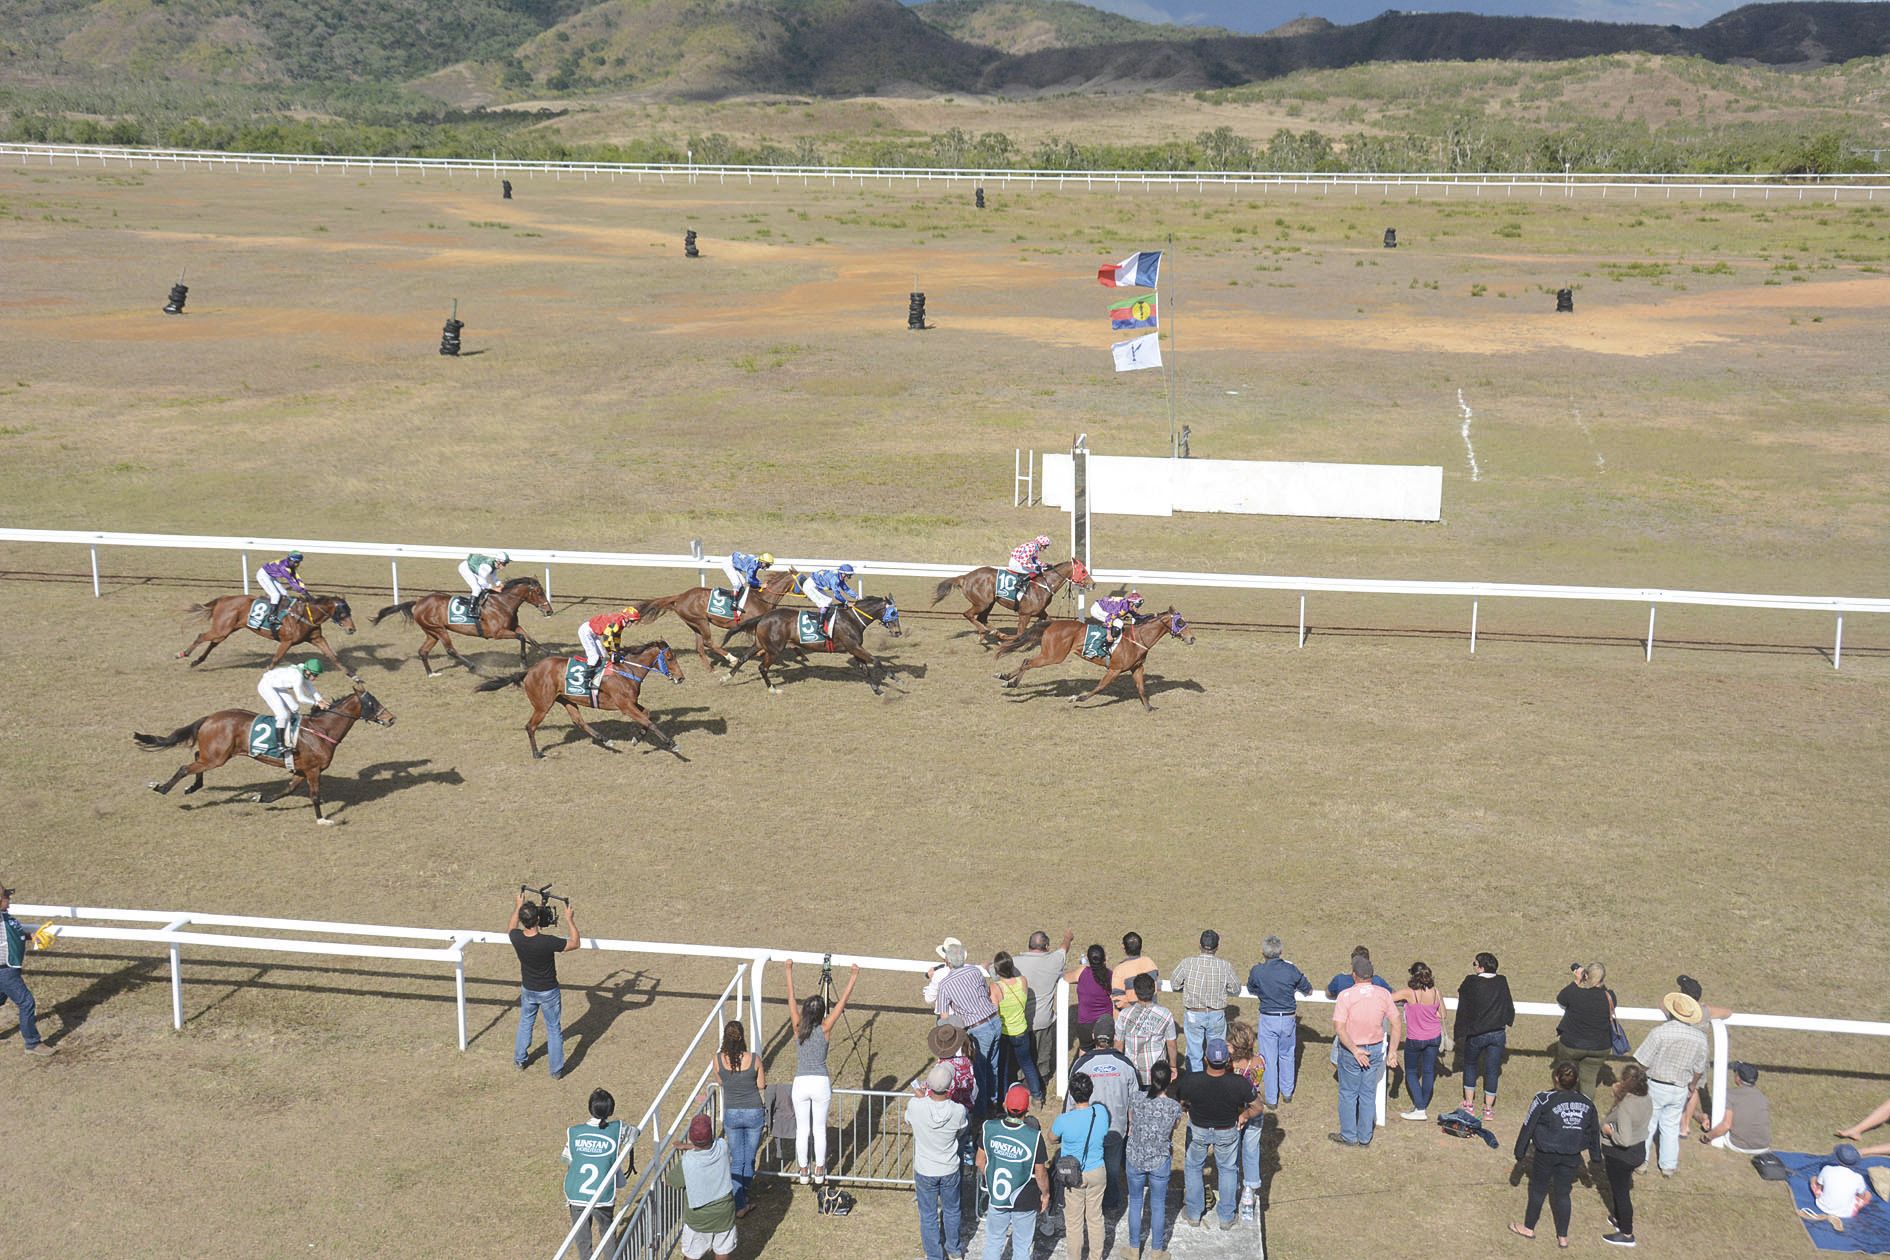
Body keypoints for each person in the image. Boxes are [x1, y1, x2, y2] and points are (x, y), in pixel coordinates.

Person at [1509, 1061, 1602, 1246]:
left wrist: (1519, 1153)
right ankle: (1563, 1237)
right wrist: (1596, 1157)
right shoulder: (1587, 1102)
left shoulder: (1543, 1099)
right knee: (1563, 1193)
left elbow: (1529, 1125)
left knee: (1538, 1189)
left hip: (1545, 1153)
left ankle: (1528, 1228)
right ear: (1576, 1081)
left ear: (1556, 1078)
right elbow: (1594, 1131)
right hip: (1571, 1155)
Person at [783, 958, 857, 1185]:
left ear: (805, 1012)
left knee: (803, 1129)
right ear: (822, 1012)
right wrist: (853, 977)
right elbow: (842, 1004)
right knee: (819, 1130)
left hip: (801, 1083)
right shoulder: (825, 1028)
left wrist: (788, 972)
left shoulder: (797, 1027)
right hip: (820, 1082)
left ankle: (803, 1169)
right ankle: (820, 1169)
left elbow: (791, 999)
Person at [1175, 1036, 1261, 1230]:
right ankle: (1226, 1217)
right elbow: (1258, 1106)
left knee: (1194, 1168)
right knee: (1228, 1170)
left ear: (1206, 1058)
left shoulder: (1191, 1080)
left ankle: (1194, 1212)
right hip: (1227, 1131)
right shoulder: (1239, 1083)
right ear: (1228, 1060)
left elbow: (1179, 1101)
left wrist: (1187, 1108)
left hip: (1198, 1130)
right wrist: (1244, 1115)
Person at [1067, 1016, 1138, 1212]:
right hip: (1116, 1128)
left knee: (1088, 1166)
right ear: (1114, 1037)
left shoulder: (1081, 1064)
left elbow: (1070, 1101)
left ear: (1093, 1036)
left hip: (1087, 1129)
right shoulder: (1126, 1064)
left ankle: (1089, 1203)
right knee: (1112, 1169)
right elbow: (1136, 1100)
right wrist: (1132, 1125)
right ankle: (1110, 1203)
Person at [1633, 992, 1708, 1178]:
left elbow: (1642, 1061)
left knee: (1648, 1124)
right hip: (1681, 1087)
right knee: (1671, 1126)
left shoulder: (1660, 1032)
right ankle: (1668, 1166)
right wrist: (1692, 1086)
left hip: (1657, 1084)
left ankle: (1641, 1162)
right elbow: (1699, 1068)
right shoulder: (1700, 1038)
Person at [1331, 957, 1400, 1147]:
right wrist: (1392, 1051)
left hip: (1351, 1050)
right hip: (1375, 1048)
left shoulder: (1346, 996)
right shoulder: (1384, 994)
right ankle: (1365, 1136)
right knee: (1368, 1093)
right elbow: (1396, 1022)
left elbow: (1339, 1027)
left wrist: (1354, 1050)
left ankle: (1349, 1135)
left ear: (1354, 975)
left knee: (1348, 1093)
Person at [509, 889, 579, 1078]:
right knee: (553, 1029)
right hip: (549, 992)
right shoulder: (547, 942)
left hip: (528, 989)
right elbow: (574, 943)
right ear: (538, 919)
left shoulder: (516, 938)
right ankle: (556, 1071)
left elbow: (511, 926)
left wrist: (517, 906)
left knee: (525, 1023)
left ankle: (520, 1060)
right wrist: (569, 919)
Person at [977, 1084, 1048, 1260]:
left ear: (1004, 1105)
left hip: (998, 1195)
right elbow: (1040, 1173)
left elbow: (980, 1161)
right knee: (1022, 1246)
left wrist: (991, 1179)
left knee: (993, 1241)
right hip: (1025, 1197)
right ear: (1028, 1108)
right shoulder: (1034, 1136)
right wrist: (1045, 1194)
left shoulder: (989, 1128)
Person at [908, 1062, 970, 1260]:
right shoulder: (958, 1110)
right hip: (949, 1167)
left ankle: (934, 1255)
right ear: (950, 1086)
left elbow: (909, 1119)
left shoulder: (916, 1105)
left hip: (925, 1168)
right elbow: (961, 1130)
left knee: (928, 1216)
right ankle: (953, 1249)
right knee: (952, 1210)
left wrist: (922, 1098)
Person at [936, 940, 1004, 1117]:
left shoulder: (944, 985)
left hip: (978, 1028)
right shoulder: (974, 971)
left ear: (947, 962)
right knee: (994, 1066)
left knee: (980, 1072)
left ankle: (982, 1113)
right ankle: (994, 1103)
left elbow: (944, 1017)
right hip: (995, 1020)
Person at [1124, 1060, 1183, 1258]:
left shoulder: (1136, 1098)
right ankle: (1157, 1251)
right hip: (1159, 1159)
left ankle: (1133, 1249)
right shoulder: (1174, 1107)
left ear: (1151, 1076)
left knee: (1135, 1202)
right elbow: (1174, 1127)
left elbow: (1131, 1120)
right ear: (1169, 1081)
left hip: (1135, 1156)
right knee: (1158, 1204)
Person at [562, 1088, 628, 1260]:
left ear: (590, 1108)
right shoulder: (616, 1130)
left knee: (582, 1237)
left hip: (576, 1193)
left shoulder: (574, 1132)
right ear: (610, 1110)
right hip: (602, 1194)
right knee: (607, 1231)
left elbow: (568, 1160)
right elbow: (633, 1132)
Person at [1247, 935, 1311, 1105]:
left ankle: (1271, 1098)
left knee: (1268, 1058)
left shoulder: (1257, 971)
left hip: (1269, 1018)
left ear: (1263, 952)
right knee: (1287, 1055)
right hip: (1288, 1018)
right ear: (1280, 951)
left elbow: (1251, 987)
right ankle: (1287, 1092)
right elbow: (1308, 989)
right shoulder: (1290, 970)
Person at [1052, 1072, 1110, 1260]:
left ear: (1071, 1093)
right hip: (1097, 1171)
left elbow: (1051, 1138)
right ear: (1090, 1091)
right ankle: (1096, 1256)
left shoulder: (1064, 1120)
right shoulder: (1101, 1113)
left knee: (1074, 1223)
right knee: (1095, 1218)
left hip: (1073, 1175)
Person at [663, 1114, 737, 1260]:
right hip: (724, 1213)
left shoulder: (688, 1161)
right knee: (722, 1250)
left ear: (691, 1137)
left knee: (692, 1254)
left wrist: (688, 1148)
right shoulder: (722, 1146)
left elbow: (671, 1180)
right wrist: (690, 1147)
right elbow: (711, 1145)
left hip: (699, 1219)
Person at [1456, 951, 1516, 1122]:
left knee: (1470, 1066)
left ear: (1481, 967)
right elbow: (1508, 1004)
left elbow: (1462, 993)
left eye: (1475, 963)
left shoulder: (1471, 981)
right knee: (1492, 1070)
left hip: (1476, 1033)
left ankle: (1469, 1104)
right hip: (1497, 1033)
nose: (1473, 966)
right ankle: (1488, 1108)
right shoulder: (1501, 981)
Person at [1014, 929, 1073, 1103]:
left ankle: (1022, 1082)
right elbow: (1063, 949)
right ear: (1046, 946)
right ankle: (1040, 1084)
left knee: (1021, 1058)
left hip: (1019, 1021)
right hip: (1043, 1020)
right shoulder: (1053, 961)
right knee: (1041, 1055)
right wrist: (1067, 938)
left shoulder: (1015, 963)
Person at [715, 1021, 766, 1216]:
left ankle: (739, 1201)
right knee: (749, 1157)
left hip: (731, 1113)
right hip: (753, 1111)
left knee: (737, 1159)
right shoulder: (754, 1059)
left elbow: (721, 1081)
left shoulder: (718, 1060)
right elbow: (761, 1085)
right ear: (743, 1037)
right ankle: (743, 1196)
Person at [1171, 929, 1240, 1072]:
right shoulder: (1224, 966)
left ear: (1200, 945)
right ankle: (1216, 1080)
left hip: (1194, 1014)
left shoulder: (1187, 963)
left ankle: (1196, 1086)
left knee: (1194, 1054)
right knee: (1218, 1053)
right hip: (1216, 1015)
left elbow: (1174, 984)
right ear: (1217, 947)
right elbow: (1235, 989)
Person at [1599, 1062, 1653, 1248]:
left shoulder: (1626, 1106)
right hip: (1639, 1150)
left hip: (1621, 1155)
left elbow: (1624, 1140)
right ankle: (1618, 1218)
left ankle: (1626, 1233)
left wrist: (1608, 1132)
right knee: (1619, 1188)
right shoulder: (1646, 1097)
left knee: (1621, 1194)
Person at [1675, 974, 1734, 1134]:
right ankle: (1685, 1125)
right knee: (1694, 1089)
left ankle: (1680, 1119)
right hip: (1698, 1055)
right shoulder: (1705, 1011)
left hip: (1680, 1054)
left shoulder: (1677, 1009)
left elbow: (1662, 1005)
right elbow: (1728, 1012)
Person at [0, 883, 54, 1056]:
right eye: (6, 896)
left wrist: (33, 937)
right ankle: (32, 1043)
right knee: (26, 1002)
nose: (9, 898)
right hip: (5, 970)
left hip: (11, 968)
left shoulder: (6, 917)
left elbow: (15, 935)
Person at [1554, 961, 1618, 1099]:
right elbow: (1601, 991)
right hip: (1599, 1047)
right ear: (1603, 979)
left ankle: (1562, 1104)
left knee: (1566, 1076)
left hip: (1572, 1045)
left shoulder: (1575, 994)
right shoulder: (1610, 996)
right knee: (1589, 1081)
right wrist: (1593, 979)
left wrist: (1577, 981)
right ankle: (1585, 1112)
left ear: (1586, 976)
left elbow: (1561, 999)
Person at [256, 659, 330, 773]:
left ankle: (291, 733)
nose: (315, 677)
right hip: (267, 687)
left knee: (294, 708)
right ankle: (280, 744)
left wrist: (321, 699)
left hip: (277, 686)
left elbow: (310, 688)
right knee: (283, 714)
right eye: (314, 675)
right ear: (308, 672)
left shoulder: (303, 671)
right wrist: (316, 703)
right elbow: (301, 698)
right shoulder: (298, 677)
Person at [1392, 962, 1445, 1121]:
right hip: (1434, 1037)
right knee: (1429, 1071)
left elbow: (1388, 998)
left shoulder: (1409, 993)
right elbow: (1442, 1014)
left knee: (1411, 1072)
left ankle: (1420, 1108)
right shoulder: (1436, 992)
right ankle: (1422, 1105)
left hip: (1415, 1039)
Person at [988, 952, 1043, 1104]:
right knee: (1027, 1064)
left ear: (997, 970)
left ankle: (1003, 1100)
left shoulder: (995, 988)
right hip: (1021, 1030)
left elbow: (994, 1011)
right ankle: (1037, 1097)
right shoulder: (1023, 981)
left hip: (1005, 1034)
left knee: (1003, 1068)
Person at [1226, 1020, 1266, 1222]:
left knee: (1232, 1151)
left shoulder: (1229, 1066)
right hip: (1255, 1111)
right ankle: (1249, 1191)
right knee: (1251, 1151)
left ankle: (1231, 1189)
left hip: (1234, 1112)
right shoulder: (1259, 1062)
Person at [1116, 972, 1178, 1085]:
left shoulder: (1124, 1015)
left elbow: (1119, 1045)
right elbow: (1171, 1044)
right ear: (1154, 990)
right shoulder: (1165, 1014)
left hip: (1133, 1073)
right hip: (1158, 1073)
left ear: (1135, 991)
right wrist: (1173, 1066)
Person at [1699, 1060, 1772, 1154]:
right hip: (1764, 1146)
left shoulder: (1729, 1095)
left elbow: (1726, 1125)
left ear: (1738, 1078)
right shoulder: (1762, 1097)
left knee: (1717, 1125)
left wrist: (1707, 1137)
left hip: (1739, 1145)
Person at [1806, 1144, 1873, 1225]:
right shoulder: (1858, 1178)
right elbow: (1861, 1196)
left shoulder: (1827, 1169)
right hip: (1847, 1213)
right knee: (1868, 1194)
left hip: (1822, 1205)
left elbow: (1820, 1186)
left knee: (1813, 1179)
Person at [577, 606, 640, 690]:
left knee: (602, 655)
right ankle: (585, 681)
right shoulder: (616, 623)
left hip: (594, 633)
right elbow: (606, 641)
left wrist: (618, 650)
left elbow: (617, 637)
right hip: (586, 631)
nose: (632, 624)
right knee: (594, 657)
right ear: (626, 618)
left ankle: (596, 677)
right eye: (632, 621)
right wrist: (611, 654)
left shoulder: (621, 623)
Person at [1066, 944, 1114, 1052]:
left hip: (1085, 1024)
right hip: (1105, 1022)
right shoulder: (1110, 975)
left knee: (1084, 1051)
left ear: (1088, 959)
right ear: (1104, 959)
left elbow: (1066, 978)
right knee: (1105, 1052)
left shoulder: (1082, 972)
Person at [802, 564, 858, 632]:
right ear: (843, 574)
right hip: (810, 586)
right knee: (825, 603)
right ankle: (820, 627)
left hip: (816, 585)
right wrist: (846, 602)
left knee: (829, 601)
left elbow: (846, 589)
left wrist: (857, 596)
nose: (849, 577)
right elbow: (837, 596)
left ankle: (824, 619)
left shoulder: (839, 576)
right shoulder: (834, 579)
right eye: (849, 576)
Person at [256, 550, 308, 622]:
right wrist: (303, 592)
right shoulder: (284, 567)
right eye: (295, 562)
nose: (296, 564)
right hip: (263, 575)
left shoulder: (290, 565)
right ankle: (271, 616)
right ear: (289, 559)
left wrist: (304, 589)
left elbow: (296, 577)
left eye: (298, 562)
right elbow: (291, 581)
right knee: (276, 595)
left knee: (284, 593)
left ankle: (281, 610)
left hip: (271, 575)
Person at [1111, 932, 1158, 1012]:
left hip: (1130, 1018)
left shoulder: (1119, 970)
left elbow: (1118, 999)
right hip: (1151, 1014)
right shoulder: (1150, 963)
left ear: (1123, 947)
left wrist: (1135, 1013)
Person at [720, 550, 775, 615]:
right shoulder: (753, 565)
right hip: (729, 564)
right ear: (762, 562)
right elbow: (749, 580)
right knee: (737, 583)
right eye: (767, 565)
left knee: (742, 582)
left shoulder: (757, 563)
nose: (767, 567)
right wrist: (760, 584)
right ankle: (733, 604)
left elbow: (752, 577)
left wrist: (759, 583)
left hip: (734, 562)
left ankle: (738, 600)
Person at [459, 550, 511, 615]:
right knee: (477, 589)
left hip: (474, 568)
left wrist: (500, 584)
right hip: (466, 568)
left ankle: (473, 601)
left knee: (482, 588)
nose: (504, 566)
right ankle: (470, 611)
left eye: (506, 564)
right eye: (504, 564)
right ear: (498, 562)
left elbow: (493, 577)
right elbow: (482, 582)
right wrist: (494, 588)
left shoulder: (494, 565)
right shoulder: (488, 567)